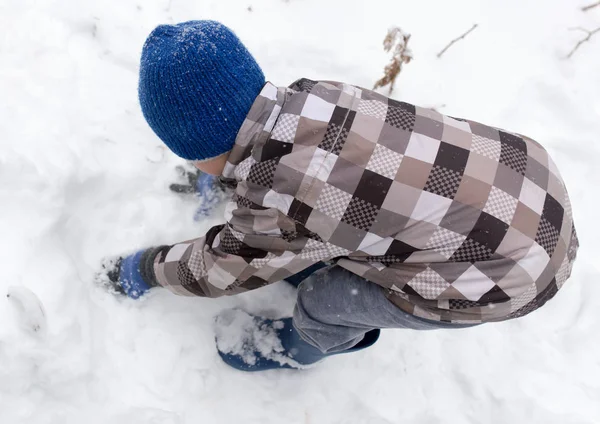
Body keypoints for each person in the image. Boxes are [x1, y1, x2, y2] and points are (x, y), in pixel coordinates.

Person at [97, 20, 579, 371]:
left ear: (201, 148)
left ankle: (298, 348)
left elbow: (219, 271)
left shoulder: (278, 205)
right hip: (528, 183)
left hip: (503, 279)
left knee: (325, 297)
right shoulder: (316, 98)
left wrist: (147, 268)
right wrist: (229, 176)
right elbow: (302, 166)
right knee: (332, 227)